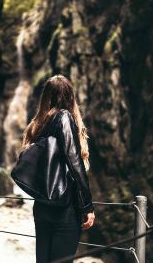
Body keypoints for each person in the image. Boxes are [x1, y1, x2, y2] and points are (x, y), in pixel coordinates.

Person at [19, 74, 95, 263]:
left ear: (45, 97)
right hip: (64, 208)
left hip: (42, 206)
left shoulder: (37, 125)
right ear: (70, 97)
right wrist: (87, 206)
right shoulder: (64, 117)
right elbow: (74, 162)